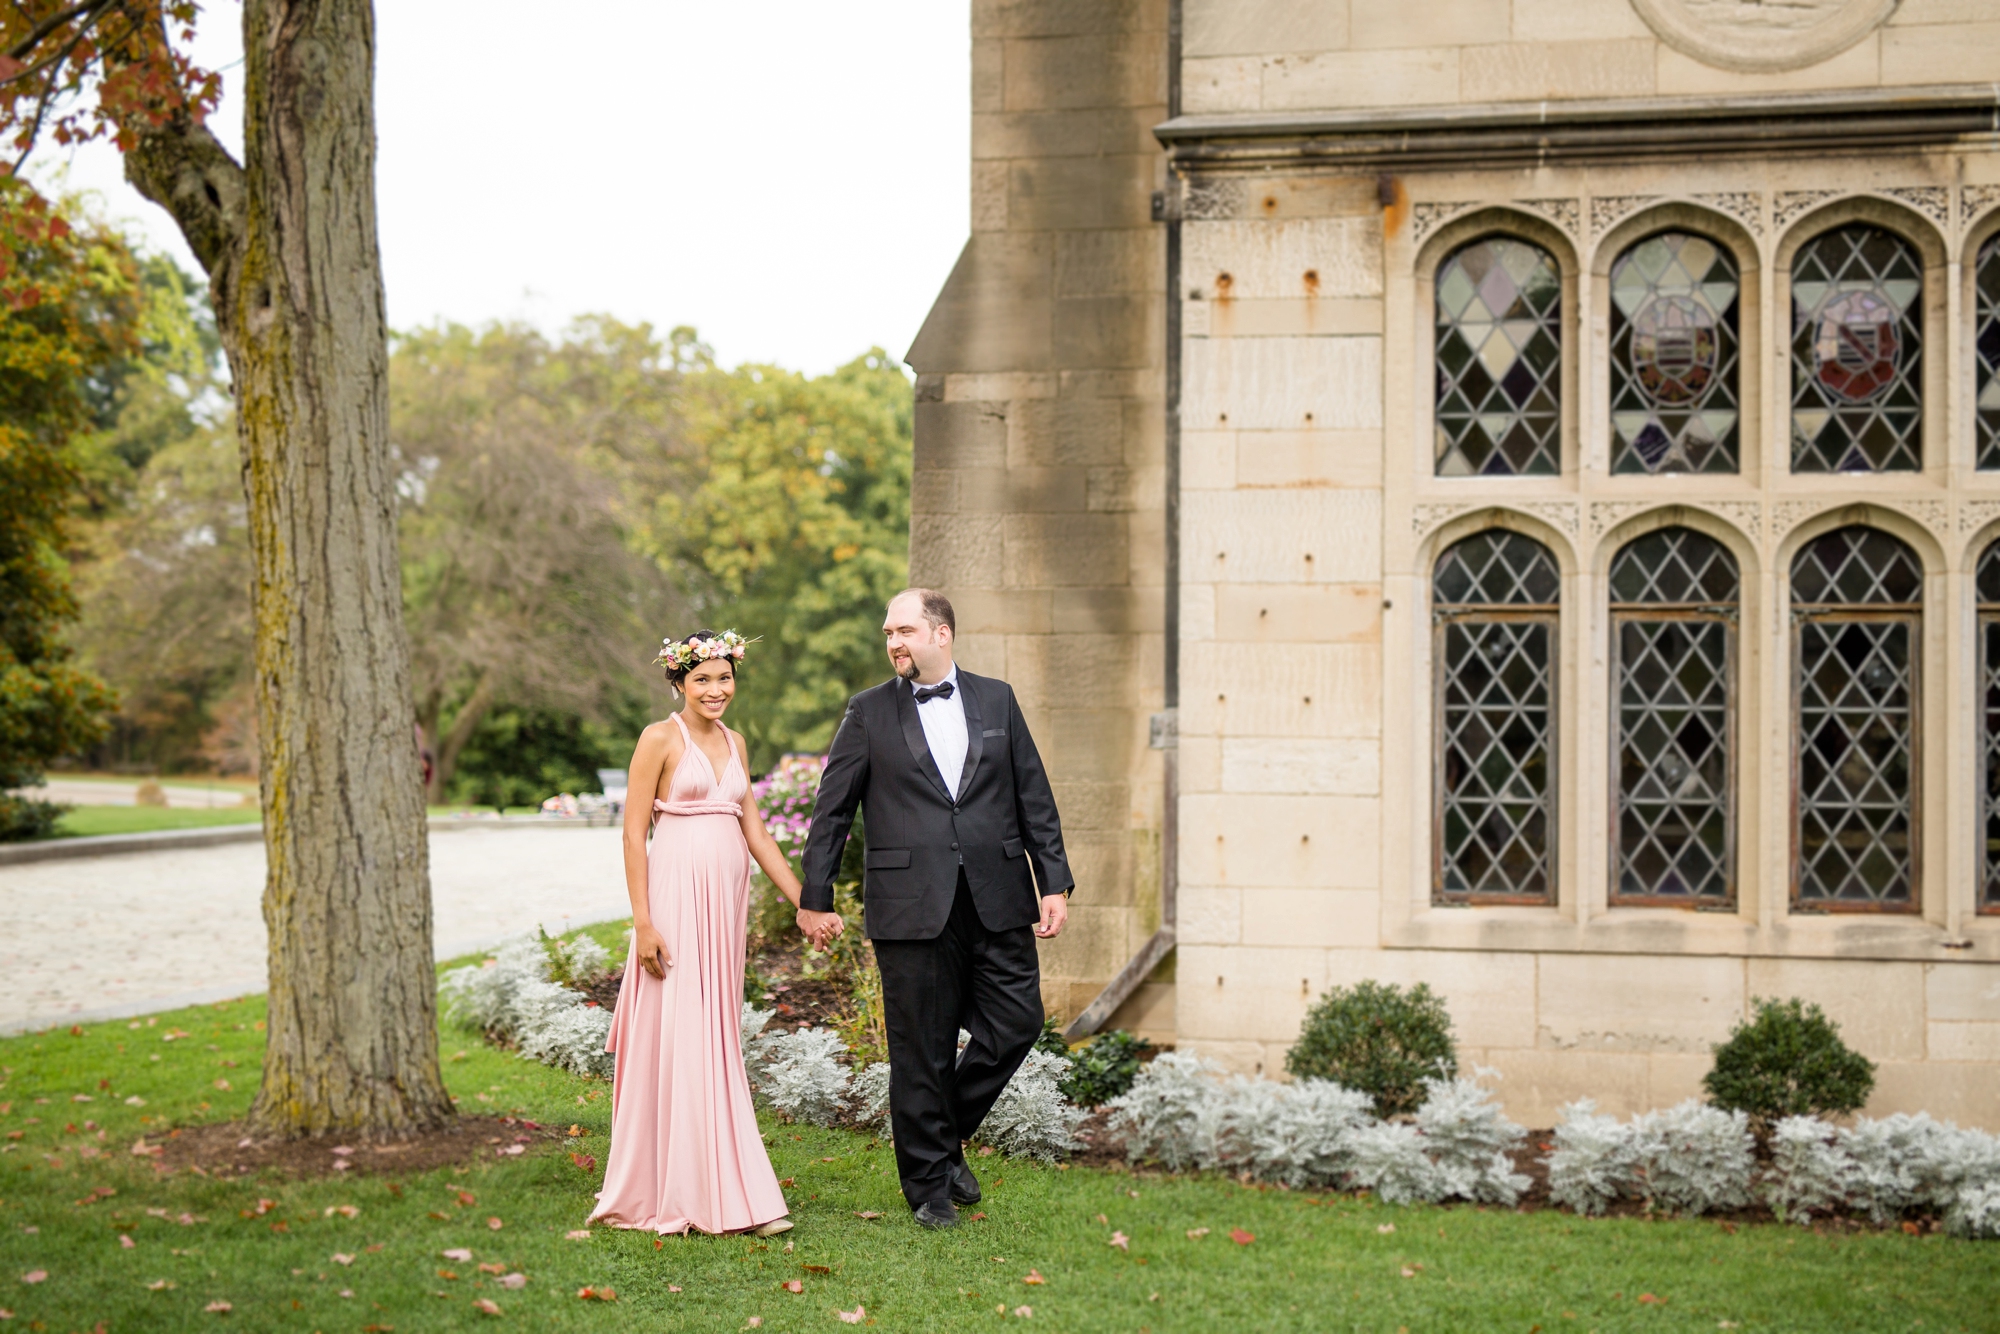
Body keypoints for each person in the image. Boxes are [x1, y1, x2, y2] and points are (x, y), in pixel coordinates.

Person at [798, 588, 1074, 1229]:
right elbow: (832, 811)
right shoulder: (867, 712)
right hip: (909, 904)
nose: (893, 642)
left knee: (1016, 1024)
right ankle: (928, 1187)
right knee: (920, 1047)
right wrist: (817, 897)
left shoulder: (997, 698)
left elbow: (1034, 793)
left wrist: (1052, 882)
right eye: (887, 633)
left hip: (998, 896)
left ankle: (940, 1139)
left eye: (904, 630)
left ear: (941, 633)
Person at [590, 629, 841, 1237]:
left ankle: (718, 1185)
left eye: (724, 677)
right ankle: (702, 1193)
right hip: (673, 904)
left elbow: (755, 832)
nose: (715, 689)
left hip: (724, 909)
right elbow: (632, 835)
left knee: (714, 1034)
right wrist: (643, 921)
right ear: (679, 682)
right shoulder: (658, 738)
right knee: (683, 1032)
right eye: (702, 678)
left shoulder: (738, 742)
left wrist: (807, 904)